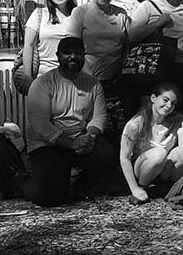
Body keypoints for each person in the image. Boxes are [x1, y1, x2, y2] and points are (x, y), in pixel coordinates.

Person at [21, 36, 116, 207]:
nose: (73, 57)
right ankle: (18, 181)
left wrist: (90, 138)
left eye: (78, 53)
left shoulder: (93, 84)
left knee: (106, 155)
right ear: (58, 56)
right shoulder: (43, 84)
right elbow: (40, 124)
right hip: (48, 144)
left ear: (84, 55)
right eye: (67, 53)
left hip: (80, 140)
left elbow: (99, 117)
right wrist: (71, 143)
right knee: (49, 198)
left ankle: (81, 186)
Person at [120, 81, 183, 206]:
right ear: (153, 98)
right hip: (142, 168)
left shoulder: (178, 120)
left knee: (181, 152)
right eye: (165, 100)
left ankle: (170, 187)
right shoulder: (136, 123)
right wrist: (134, 188)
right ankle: (143, 187)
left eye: (173, 103)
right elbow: (124, 158)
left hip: (163, 168)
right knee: (159, 153)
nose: (168, 106)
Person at [66, 0, 129, 84]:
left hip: (115, 80)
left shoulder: (121, 14)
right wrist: (89, 76)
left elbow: (126, 45)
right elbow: (73, 46)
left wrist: (120, 72)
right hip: (86, 77)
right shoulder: (80, 12)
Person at [21, 0, 77, 87]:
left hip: (73, 77)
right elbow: (28, 46)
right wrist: (27, 76)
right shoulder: (39, 14)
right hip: (45, 77)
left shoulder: (77, 14)